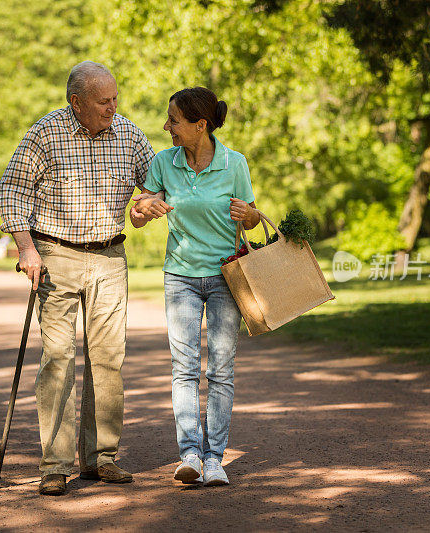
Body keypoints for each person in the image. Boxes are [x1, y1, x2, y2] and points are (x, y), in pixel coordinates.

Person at [0, 61, 154, 496]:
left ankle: (101, 458)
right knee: (59, 358)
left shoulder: (129, 134)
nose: (113, 107)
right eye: (104, 101)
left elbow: (157, 184)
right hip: (56, 255)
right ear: (76, 102)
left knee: (107, 360)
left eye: (115, 98)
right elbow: (11, 190)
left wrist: (145, 206)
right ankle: (55, 464)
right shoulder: (45, 133)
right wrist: (26, 248)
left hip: (110, 257)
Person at [130, 87, 259, 486]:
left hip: (225, 277)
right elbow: (138, 213)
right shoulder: (164, 163)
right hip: (181, 277)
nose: (167, 127)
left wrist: (250, 214)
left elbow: (252, 217)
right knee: (184, 369)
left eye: (174, 121)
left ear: (200, 125)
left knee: (220, 369)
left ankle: (215, 458)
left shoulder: (233, 163)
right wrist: (142, 210)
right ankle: (189, 454)